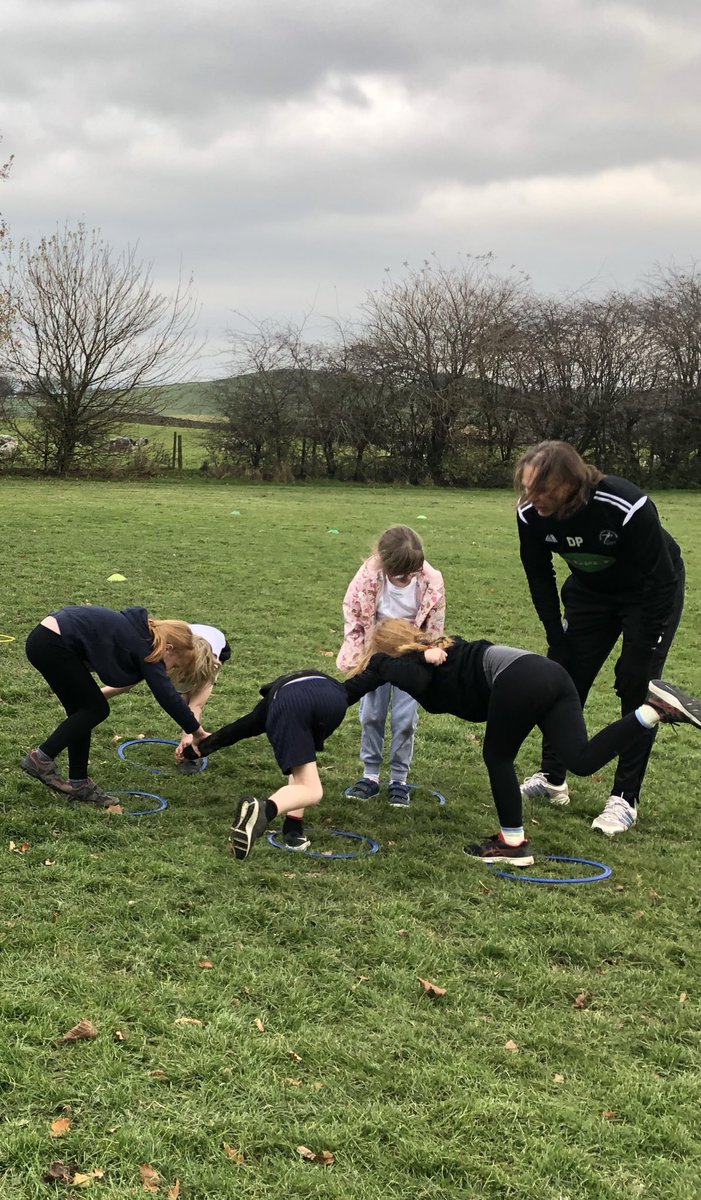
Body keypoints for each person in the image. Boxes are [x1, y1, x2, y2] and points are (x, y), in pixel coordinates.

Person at [345, 618, 701, 866]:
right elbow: (356, 688)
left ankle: (512, 844)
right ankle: (654, 711)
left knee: (497, 757)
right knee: (580, 760)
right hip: (548, 674)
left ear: (391, 651)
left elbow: (414, 680)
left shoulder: (418, 659)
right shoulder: (430, 653)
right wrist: (313, 696)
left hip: (520, 678)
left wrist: (381, 660)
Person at [515, 441, 685, 836]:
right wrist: (556, 636)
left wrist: (642, 650)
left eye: (541, 490)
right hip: (591, 594)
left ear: (570, 483)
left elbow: (663, 582)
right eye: (527, 488)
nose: (532, 498)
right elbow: (539, 576)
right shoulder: (530, 514)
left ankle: (624, 799)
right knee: (562, 677)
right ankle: (552, 778)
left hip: (648, 593)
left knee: (636, 684)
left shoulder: (625, 505)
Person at [20, 606, 211, 806]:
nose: (170, 670)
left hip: (46, 640)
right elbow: (167, 697)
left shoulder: (141, 636)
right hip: (53, 643)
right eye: (175, 664)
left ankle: (78, 782)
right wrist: (197, 732)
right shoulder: (146, 647)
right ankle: (41, 758)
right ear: (169, 648)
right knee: (96, 709)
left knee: (83, 712)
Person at [181, 669, 351, 857]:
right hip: (325, 704)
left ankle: (293, 830)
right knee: (312, 789)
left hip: (293, 701)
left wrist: (198, 749)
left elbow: (240, 728)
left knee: (302, 762)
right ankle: (263, 811)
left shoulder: (275, 700)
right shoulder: (334, 689)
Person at [337, 524, 445, 807]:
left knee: (404, 719)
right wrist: (357, 655)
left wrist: (428, 653)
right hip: (376, 657)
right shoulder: (367, 578)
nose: (407, 577)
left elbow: (435, 626)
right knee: (371, 714)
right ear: (385, 563)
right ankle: (370, 775)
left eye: (412, 572)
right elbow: (354, 616)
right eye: (400, 573)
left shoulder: (431, 582)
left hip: (411, 658)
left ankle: (399, 779)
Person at [99, 622, 231, 769]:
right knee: (169, 687)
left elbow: (196, 705)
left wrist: (189, 738)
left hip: (213, 646)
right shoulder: (171, 651)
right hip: (188, 641)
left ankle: (188, 754)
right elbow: (131, 681)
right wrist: (93, 697)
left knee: (191, 699)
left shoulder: (209, 666)